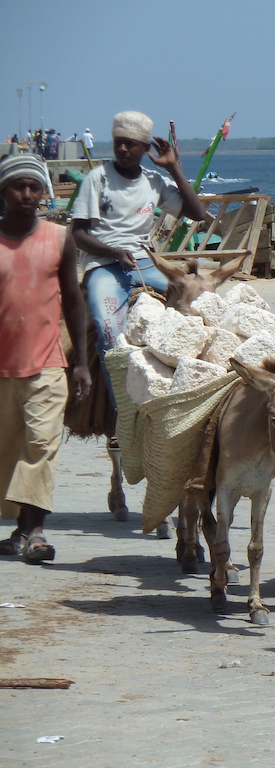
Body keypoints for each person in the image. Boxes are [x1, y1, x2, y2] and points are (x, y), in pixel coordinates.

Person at [71, 111, 205, 402]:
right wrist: (113, 252)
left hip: (145, 262)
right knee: (109, 332)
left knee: (199, 306)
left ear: (146, 149)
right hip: (103, 265)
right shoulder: (98, 179)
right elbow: (78, 233)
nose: (123, 149)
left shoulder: (154, 182)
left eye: (131, 144)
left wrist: (173, 169)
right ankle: (121, 411)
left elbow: (197, 213)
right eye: (119, 142)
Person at [0, 155, 91, 561]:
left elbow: (73, 302)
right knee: (7, 450)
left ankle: (35, 532)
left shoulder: (59, 238)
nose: (27, 194)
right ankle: (18, 531)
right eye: (18, 186)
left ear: (42, 193)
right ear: (4, 191)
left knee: (40, 446)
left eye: (34, 187)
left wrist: (83, 362)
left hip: (47, 364)